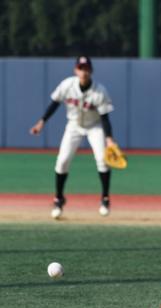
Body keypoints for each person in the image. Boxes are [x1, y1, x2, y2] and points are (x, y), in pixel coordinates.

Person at [30, 55, 116, 219]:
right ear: (75, 70)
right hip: (74, 125)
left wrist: (109, 138)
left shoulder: (100, 91)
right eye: (80, 68)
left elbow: (105, 118)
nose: (83, 71)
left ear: (91, 70)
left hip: (94, 127)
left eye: (86, 68)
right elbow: (54, 104)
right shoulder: (67, 85)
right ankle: (58, 199)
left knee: (102, 160)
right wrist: (42, 122)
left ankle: (105, 198)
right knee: (62, 161)